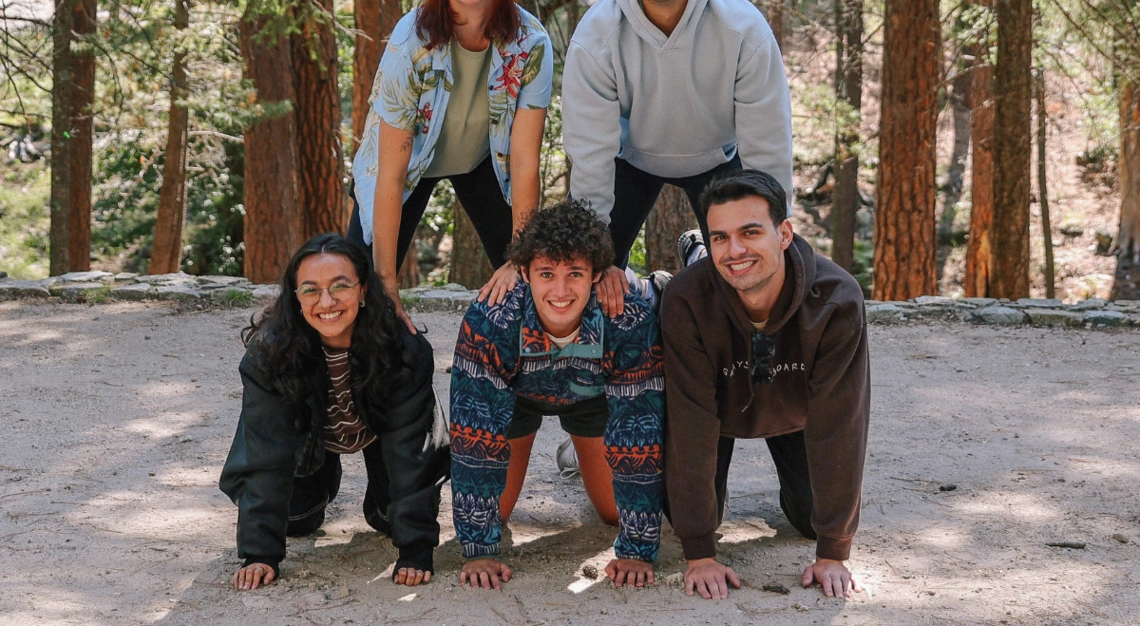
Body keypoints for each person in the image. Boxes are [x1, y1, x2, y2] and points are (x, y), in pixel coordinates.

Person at [561, 0, 793, 316]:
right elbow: (589, 152)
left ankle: (702, 260)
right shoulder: (596, 36)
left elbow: (768, 144)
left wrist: (773, 229)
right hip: (627, 161)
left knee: (753, 279)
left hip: (719, 159)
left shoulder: (743, 28)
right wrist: (597, 257)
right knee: (587, 278)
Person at [661, 170, 869, 601]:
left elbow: (840, 424)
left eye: (750, 232)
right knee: (679, 512)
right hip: (719, 409)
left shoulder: (836, 299)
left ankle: (700, 251)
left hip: (795, 410)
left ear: (785, 233)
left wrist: (833, 550)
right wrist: (699, 551)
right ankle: (696, 256)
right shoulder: (684, 301)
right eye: (720, 237)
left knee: (810, 519)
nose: (735, 249)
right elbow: (690, 421)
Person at [349, 0, 554, 332]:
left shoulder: (531, 43)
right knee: (357, 289)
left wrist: (519, 258)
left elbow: (524, 159)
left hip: (482, 161)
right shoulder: (412, 43)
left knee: (533, 276)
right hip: (405, 168)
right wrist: (386, 282)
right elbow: (391, 171)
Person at [448, 200, 664, 591]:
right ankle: (573, 451)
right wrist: (478, 549)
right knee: (492, 515)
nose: (560, 290)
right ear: (525, 273)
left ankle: (577, 450)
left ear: (596, 274)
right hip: (514, 400)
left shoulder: (627, 319)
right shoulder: (491, 318)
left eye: (575, 274)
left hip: (592, 397)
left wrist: (636, 549)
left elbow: (639, 429)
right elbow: (473, 434)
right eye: (546, 273)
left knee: (615, 513)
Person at [219, 234, 450, 591]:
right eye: (310, 290)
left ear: (363, 290)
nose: (326, 301)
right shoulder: (270, 354)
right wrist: (259, 553)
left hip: (383, 432)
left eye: (340, 286)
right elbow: (265, 450)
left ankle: (382, 502)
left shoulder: (404, 350)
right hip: (310, 437)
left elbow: (413, 450)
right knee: (296, 519)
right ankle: (324, 473)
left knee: (388, 518)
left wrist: (415, 549)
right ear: (295, 299)